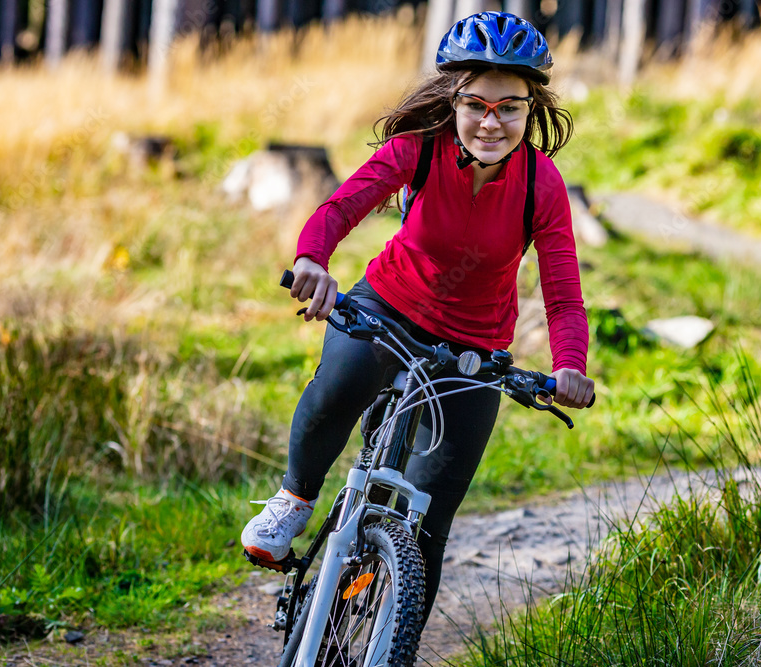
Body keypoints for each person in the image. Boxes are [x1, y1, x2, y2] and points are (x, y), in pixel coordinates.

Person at [241, 11, 595, 621]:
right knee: (341, 385)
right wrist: (312, 261)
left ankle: (388, 640)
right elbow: (342, 206)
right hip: (390, 306)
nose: (492, 121)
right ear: (452, 100)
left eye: (509, 107)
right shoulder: (419, 150)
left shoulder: (543, 183)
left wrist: (570, 366)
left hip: (475, 345)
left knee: (429, 529)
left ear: (530, 110)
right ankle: (295, 498)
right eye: (477, 104)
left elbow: (563, 292)